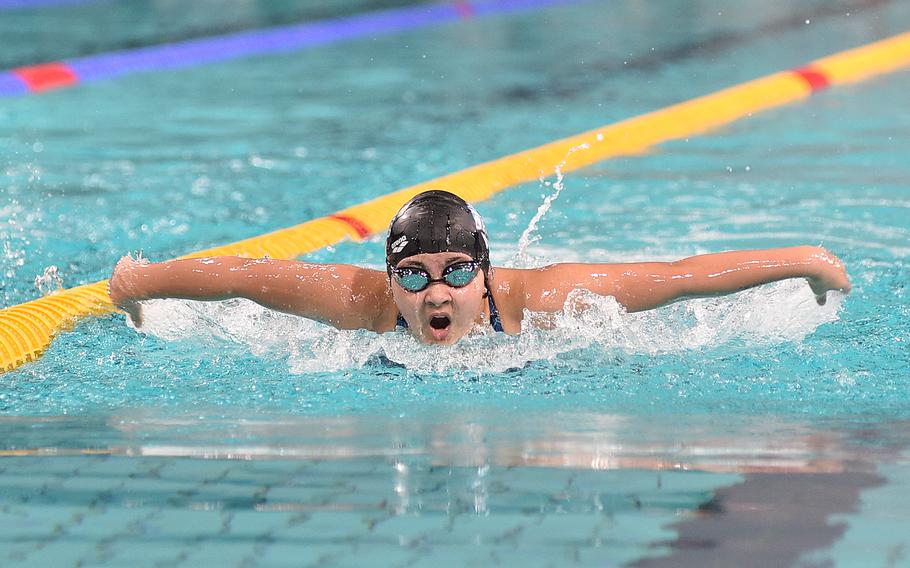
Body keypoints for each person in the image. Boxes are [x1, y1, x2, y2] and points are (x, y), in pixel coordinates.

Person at [108, 190, 851, 345]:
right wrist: (138, 283)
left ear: (486, 277)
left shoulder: (544, 301)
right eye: (415, 276)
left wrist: (806, 262)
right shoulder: (358, 301)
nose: (436, 292)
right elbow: (241, 275)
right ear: (390, 278)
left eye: (458, 274)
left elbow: (685, 274)